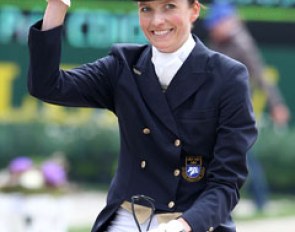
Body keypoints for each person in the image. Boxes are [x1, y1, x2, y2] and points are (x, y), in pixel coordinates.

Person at [27, 0, 257, 231]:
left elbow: (226, 181)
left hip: (193, 221)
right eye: (146, 9)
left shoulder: (227, 77)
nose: (157, 21)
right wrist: (58, 5)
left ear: (194, 10)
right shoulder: (123, 66)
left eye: (169, 7)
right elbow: (48, 86)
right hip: (126, 219)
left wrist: (186, 224)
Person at [204, 1, 290, 212]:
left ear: (227, 22)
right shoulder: (216, 43)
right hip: (214, 108)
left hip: (236, 110)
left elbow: (261, 76)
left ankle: (259, 201)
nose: (213, 30)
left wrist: (277, 104)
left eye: (217, 25)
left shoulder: (242, 43)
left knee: (243, 155)